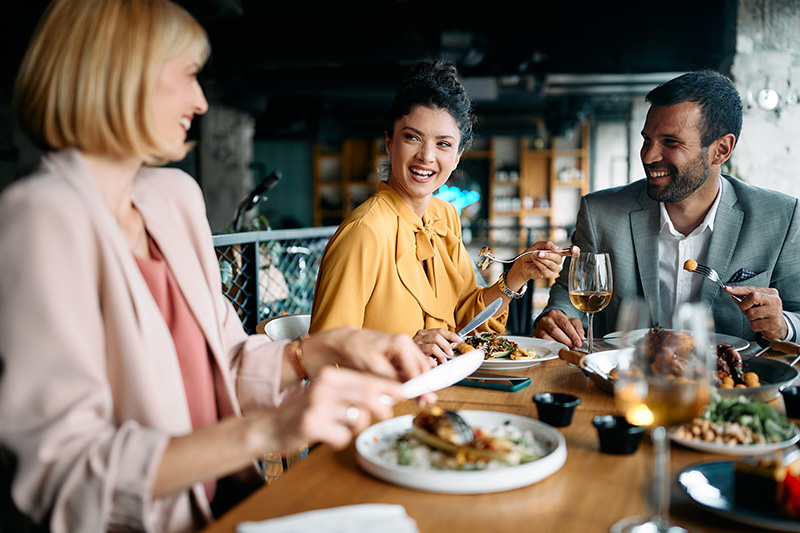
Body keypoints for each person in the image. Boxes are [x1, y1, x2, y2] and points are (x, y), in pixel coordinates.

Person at [0, 1, 436, 531]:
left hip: (231, 507)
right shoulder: (41, 217)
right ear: (121, 73)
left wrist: (322, 349)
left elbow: (225, 361)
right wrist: (267, 432)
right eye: (187, 75)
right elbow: (61, 473)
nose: (202, 101)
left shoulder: (174, 197)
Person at [309, 60, 577, 360]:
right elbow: (320, 356)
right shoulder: (365, 232)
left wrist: (517, 274)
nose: (426, 156)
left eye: (443, 144)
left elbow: (467, 323)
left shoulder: (445, 216)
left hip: (445, 389)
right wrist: (400, 351)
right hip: (385, 402)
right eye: (412, 137)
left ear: (458, 156)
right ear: (389, 142)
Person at [534, 70, 800, 348]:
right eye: (647, 139)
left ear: (721, 150)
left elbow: (797, 314)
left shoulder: (781, 217)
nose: (648, 156)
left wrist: (783, 326)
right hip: (625, 380)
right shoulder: (599, 212)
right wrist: (558, 317)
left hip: (730, 385)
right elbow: (571, 292)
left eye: (670, 143)